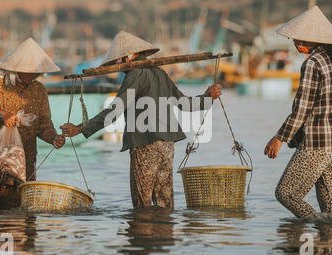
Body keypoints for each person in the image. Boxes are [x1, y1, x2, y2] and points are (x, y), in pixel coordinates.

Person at [61, 31, 221, 210]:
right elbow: (184, 104)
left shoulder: (135, 74)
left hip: (146, 144)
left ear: (127, 57)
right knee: (164, 202)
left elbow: (115, 110)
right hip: (167, 145)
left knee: (142, 203)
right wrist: (207, 97)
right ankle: (165, 235)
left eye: (118, 61)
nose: (117, 65)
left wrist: (82, 129)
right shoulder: (160, 73)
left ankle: (142, 233)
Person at [264, 6, 332, 218]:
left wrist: (279, 138)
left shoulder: (313, 64)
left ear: (307, 40)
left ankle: (316, 224)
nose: (294, 42)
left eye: (297, 38)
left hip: (317, 145)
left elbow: (302, 109)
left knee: (286, 194)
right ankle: (330, 244)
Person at [0, 37, 65, 211]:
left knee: (16, 213)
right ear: (16, 68)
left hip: (20, 163)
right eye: (29, 70)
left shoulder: (39, 90)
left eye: (37, 71)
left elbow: (43, 123)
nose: (34, 74)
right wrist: (1, 114)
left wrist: (53, 137)